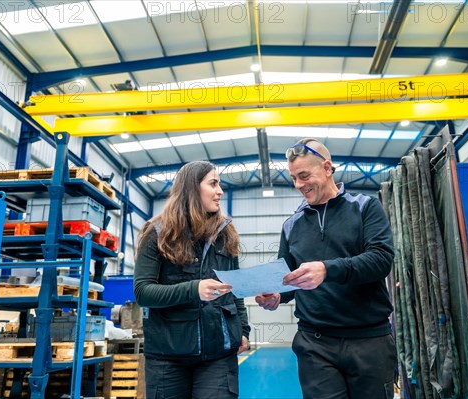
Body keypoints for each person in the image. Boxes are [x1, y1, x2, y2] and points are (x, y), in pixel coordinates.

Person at [256, 138, 396, 399]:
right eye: (294, 178)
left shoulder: (365, 207)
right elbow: (287, 278)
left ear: (328, 168)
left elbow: (381, 260)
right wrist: (277, 295)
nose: (299, 185)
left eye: (304, 175)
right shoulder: (291, 225)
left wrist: (327, 269)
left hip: (369, 340)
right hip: (315, 344)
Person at [134, 160, 250, 398]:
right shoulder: (157, 233)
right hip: (167, 356)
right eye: (213, 184)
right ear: (191, 188)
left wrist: (243, 330)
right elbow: (143, 292)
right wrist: (193, 289)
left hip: (218, 355)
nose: (220, 192)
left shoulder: (225, 233)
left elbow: (234, 288)